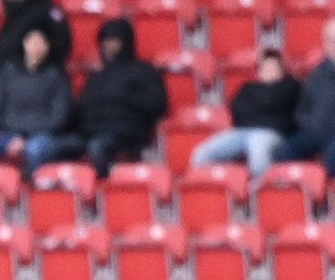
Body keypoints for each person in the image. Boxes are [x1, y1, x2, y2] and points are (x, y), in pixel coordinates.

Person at [56, 18, 167, 178]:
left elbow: (158, 104)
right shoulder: (96, 77)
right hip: (88, 133)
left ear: (126, 41)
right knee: (45, 148)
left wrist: (124, 100)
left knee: (97, 147)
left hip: (124, 135)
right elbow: (82, 106)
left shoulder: (144, 71)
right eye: (105, 41)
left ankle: (103, 189)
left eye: (114, 41)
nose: (109, 46)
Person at [0, 23, 74, 175]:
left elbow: (58, 118)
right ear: (24, 43)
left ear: (47, 47)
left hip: (41, 135)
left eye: (41, 42)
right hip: (8, 132)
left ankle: (32, 184)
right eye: (32, 41)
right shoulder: (9, 71)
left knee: (37, 148)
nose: (35, 46)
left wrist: (24, 137)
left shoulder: (57, 77)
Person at [193, 49, 301, 180]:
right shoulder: (247, 88)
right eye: (266, 67)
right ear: (259, 70)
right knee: (201, 155)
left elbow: (286, 113)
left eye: (274, 67)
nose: (270, 71)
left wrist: (260, 111)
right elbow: (237, 110)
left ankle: (260, 189)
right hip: (242, 131)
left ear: (281, 69)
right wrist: (267, 110)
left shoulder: (292, 87)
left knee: (258, 151)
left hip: (272, 132)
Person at [281, 21, 335, 174]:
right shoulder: (317, 73)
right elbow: (302, 108)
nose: (333, 44)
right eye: (329, 40)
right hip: (315, 132)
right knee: (282, 154)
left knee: (332, 160)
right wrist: (310, 125)